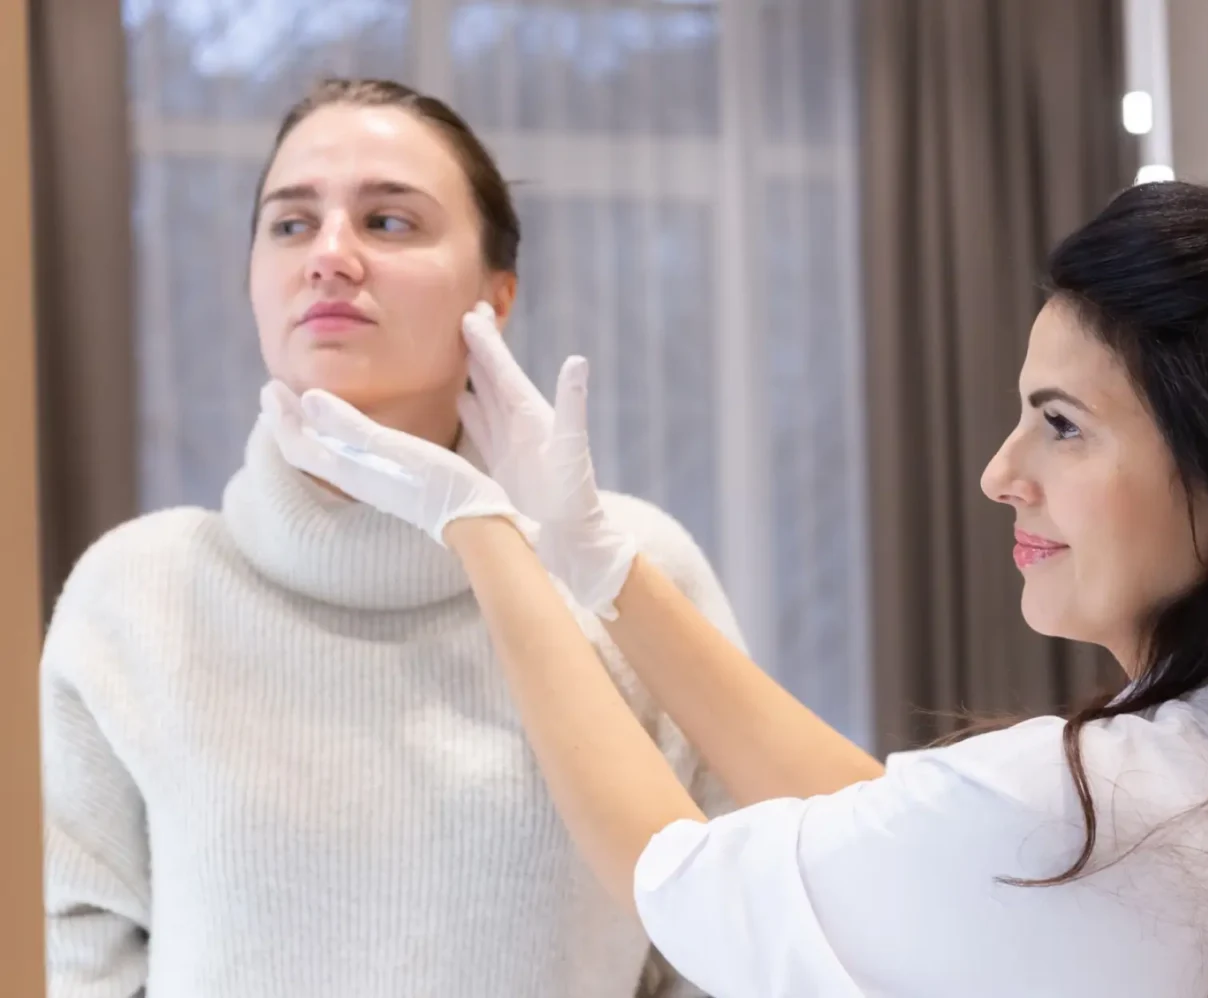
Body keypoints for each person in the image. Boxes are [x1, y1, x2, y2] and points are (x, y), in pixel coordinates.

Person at [265, 181, 1208, 997]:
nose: (1001, 473)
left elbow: (678, 867)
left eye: (1061, 424)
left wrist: (484, 526)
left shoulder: (1093, 809)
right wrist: (599, 565)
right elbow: (897, 827)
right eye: (290, 217)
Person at [39, 78, 742, 998]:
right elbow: (68, 952)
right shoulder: (135, 592)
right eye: (290, 225)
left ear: (496, 295)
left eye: (390, 223)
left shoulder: (632, 574)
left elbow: (740, 933)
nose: (329, 256)